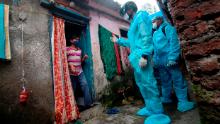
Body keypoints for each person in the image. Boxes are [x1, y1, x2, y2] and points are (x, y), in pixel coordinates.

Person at [112, 1, 164, 117]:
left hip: (142, 56)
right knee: (142, 84)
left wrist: (145, 55)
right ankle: (150, 107)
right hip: (136, 58)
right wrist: (119, 41)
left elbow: (146, 36)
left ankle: (157, 112)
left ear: (130, 10)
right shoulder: (134, 23)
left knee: (149, 83)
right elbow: (132, 42)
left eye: (125, 12)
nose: (125, 15)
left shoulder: (141, 16)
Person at [152, 16, 195, 112]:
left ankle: (183, 102)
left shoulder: (167, 28)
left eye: (154, 21)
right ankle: (166, 98)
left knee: (177, 80)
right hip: (161, 61)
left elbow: (173, 43)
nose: (153, 23)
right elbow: (155, 49)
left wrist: (172, 58)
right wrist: (155, 61)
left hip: (169, 58)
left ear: (159, 20)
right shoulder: (155, 33)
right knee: (165, 81)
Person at [66, 36, 93, 109]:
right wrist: (70, 65)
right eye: (75, 39)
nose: (77, 40)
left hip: (80, 71)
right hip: (71, 73)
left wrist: (83, 58)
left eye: (78, 39)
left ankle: (88, 104)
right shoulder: (66, 49)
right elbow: (63, 61)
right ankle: (72, 107)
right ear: (71, 40)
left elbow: (79, 62)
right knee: (73, 89)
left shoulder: (79, 50)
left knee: (85, 85)